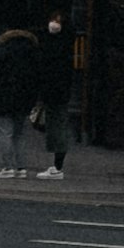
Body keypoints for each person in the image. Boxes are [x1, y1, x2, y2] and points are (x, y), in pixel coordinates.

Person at [0, 15, 50, 177]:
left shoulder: (3, 50)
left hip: (3, 95)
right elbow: (38, 76)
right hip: (25, 97)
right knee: (19, 133)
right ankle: (21, 168)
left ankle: (8, 167)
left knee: (5, 131)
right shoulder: (32, 51)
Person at [38, 19, 83, 177]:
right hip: (62, 91)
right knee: (58, 124)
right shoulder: (68, 46)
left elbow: (47, 70)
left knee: (57, 126)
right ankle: (57, 164)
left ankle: (57, 167)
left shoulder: (51, 48)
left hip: (54, 92)